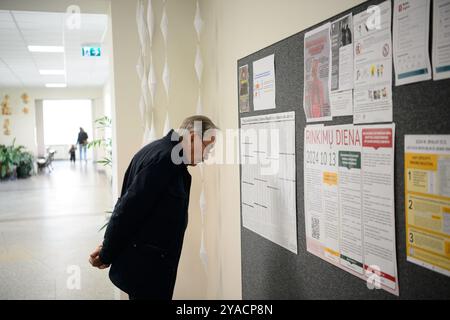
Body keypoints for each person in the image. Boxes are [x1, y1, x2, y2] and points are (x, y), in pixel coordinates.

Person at [89, 115, 218, 300]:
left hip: (147, 267)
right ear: (192, 138)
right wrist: (106, 253)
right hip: (147, 272)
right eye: (208, 147)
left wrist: (108, 247)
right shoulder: (166, 160)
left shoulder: (161, 151)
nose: (206, 156)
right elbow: (127, 211)